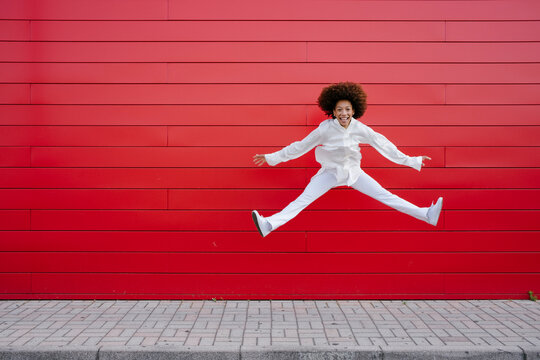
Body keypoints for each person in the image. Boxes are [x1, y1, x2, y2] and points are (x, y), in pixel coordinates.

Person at [251, 82, 443, 238]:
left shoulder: (360, 128)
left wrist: (411, 160)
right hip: (330, 174)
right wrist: (271, 157)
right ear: (333, 112)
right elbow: (300, 147)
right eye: (339, 110)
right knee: (303, 200)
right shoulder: (324, 130)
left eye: (347, 109)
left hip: (354, 174)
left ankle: (427, 215)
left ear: (354, 111)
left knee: (387, 197)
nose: (344, 113)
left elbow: (383, 145)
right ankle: (269, 224)